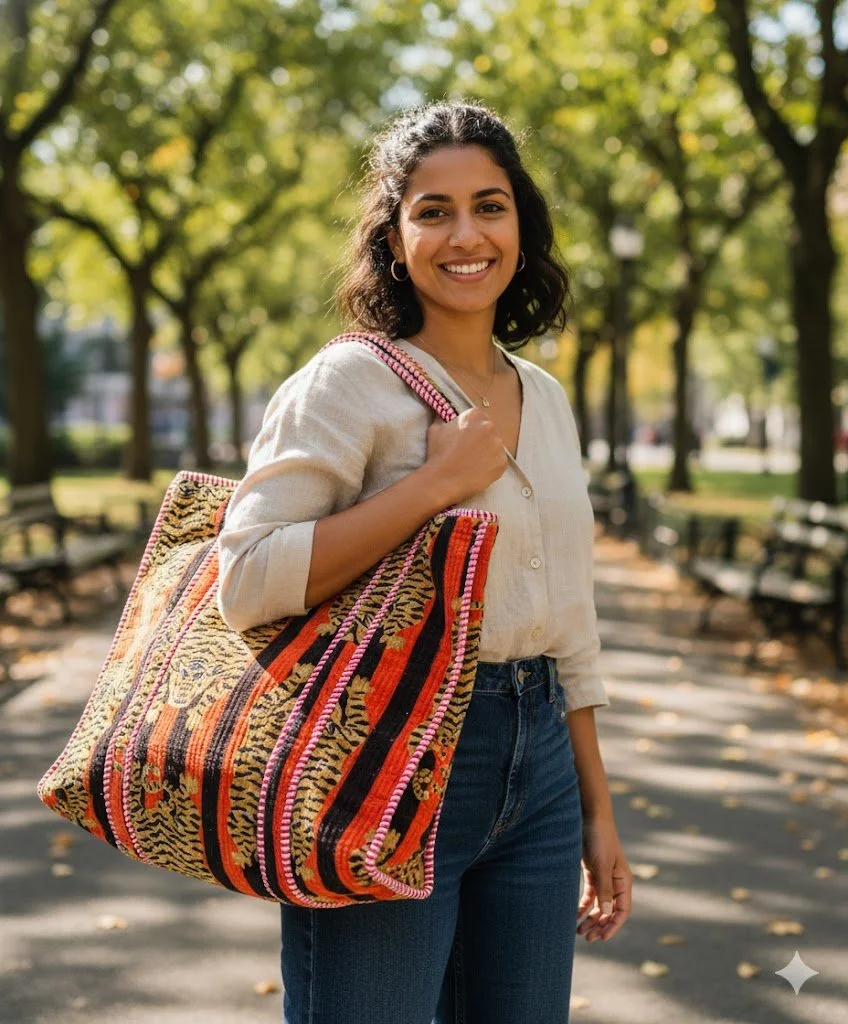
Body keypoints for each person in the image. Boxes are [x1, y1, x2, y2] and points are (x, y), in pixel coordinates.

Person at [216, 100, 632, 1024]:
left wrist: (597, 812)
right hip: (387, 759)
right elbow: (244, 580)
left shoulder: (548, 399)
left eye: (490, 205)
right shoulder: (347, 384)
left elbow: (570, 622)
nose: (465, 235)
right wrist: (432, 486)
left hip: (540, 770)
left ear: (522, 224)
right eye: (432, 212)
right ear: (395, 242)